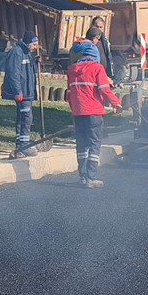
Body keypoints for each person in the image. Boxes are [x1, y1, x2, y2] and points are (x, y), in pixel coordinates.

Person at [65, 39, 120, 188]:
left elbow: (69, 94)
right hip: (94, 112)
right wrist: (116, 103)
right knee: (94, 144)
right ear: (94, 55)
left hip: (78, 112)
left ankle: (82, 176)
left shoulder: (71, 70)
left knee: (81, 144)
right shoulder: (97, 68)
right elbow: (104, 89)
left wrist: (75, 109)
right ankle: (91, 177)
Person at [2, 29, 41, 157]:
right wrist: (17, 91)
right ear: (28, 42)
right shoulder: (17, 52)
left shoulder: (27, 53)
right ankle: (24, 144)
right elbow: (14, 73)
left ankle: (20, 145)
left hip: (28, 91)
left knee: (22, 117)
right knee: (26, 117)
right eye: (34, 44)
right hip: (22, 92)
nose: (36, 47)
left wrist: (36, 62)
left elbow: (29, 71)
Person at [87, 15, 116, 82]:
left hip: (104, 72)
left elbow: (108, 56)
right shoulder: (87, 39)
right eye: (97, 27)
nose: (99, 29)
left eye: (101, 27)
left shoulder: (105, 40)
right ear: (92, 26)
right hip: (93, 72)